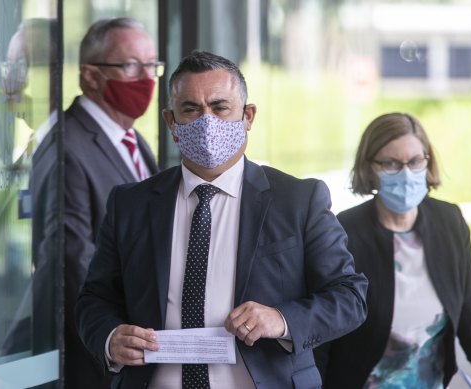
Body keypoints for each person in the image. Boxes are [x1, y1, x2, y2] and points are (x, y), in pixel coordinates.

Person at [75, 50, 368, 389]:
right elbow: (93, 300)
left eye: (219, 107)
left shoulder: (298, 200)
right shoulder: (131, 204)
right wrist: (110, 338)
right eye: (191, 109)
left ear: (248, 116)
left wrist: (282, 319)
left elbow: (350, 297)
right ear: (171, 122)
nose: (207, 121)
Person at [314, 112, 471, 388]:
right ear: (370, 169)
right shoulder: (344, 231)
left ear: (428, 161)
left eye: (415, 161)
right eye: (390, 163)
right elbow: (322, 332)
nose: (405, 173)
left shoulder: (448, 222)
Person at [61, 17, 161, 388]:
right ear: (90, 75)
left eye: (152, 65)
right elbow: (72, 258)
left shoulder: (132, 138)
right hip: (98, 354)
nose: (146, 77)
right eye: (131, 64)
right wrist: (109, 333)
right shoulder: (67, 145)